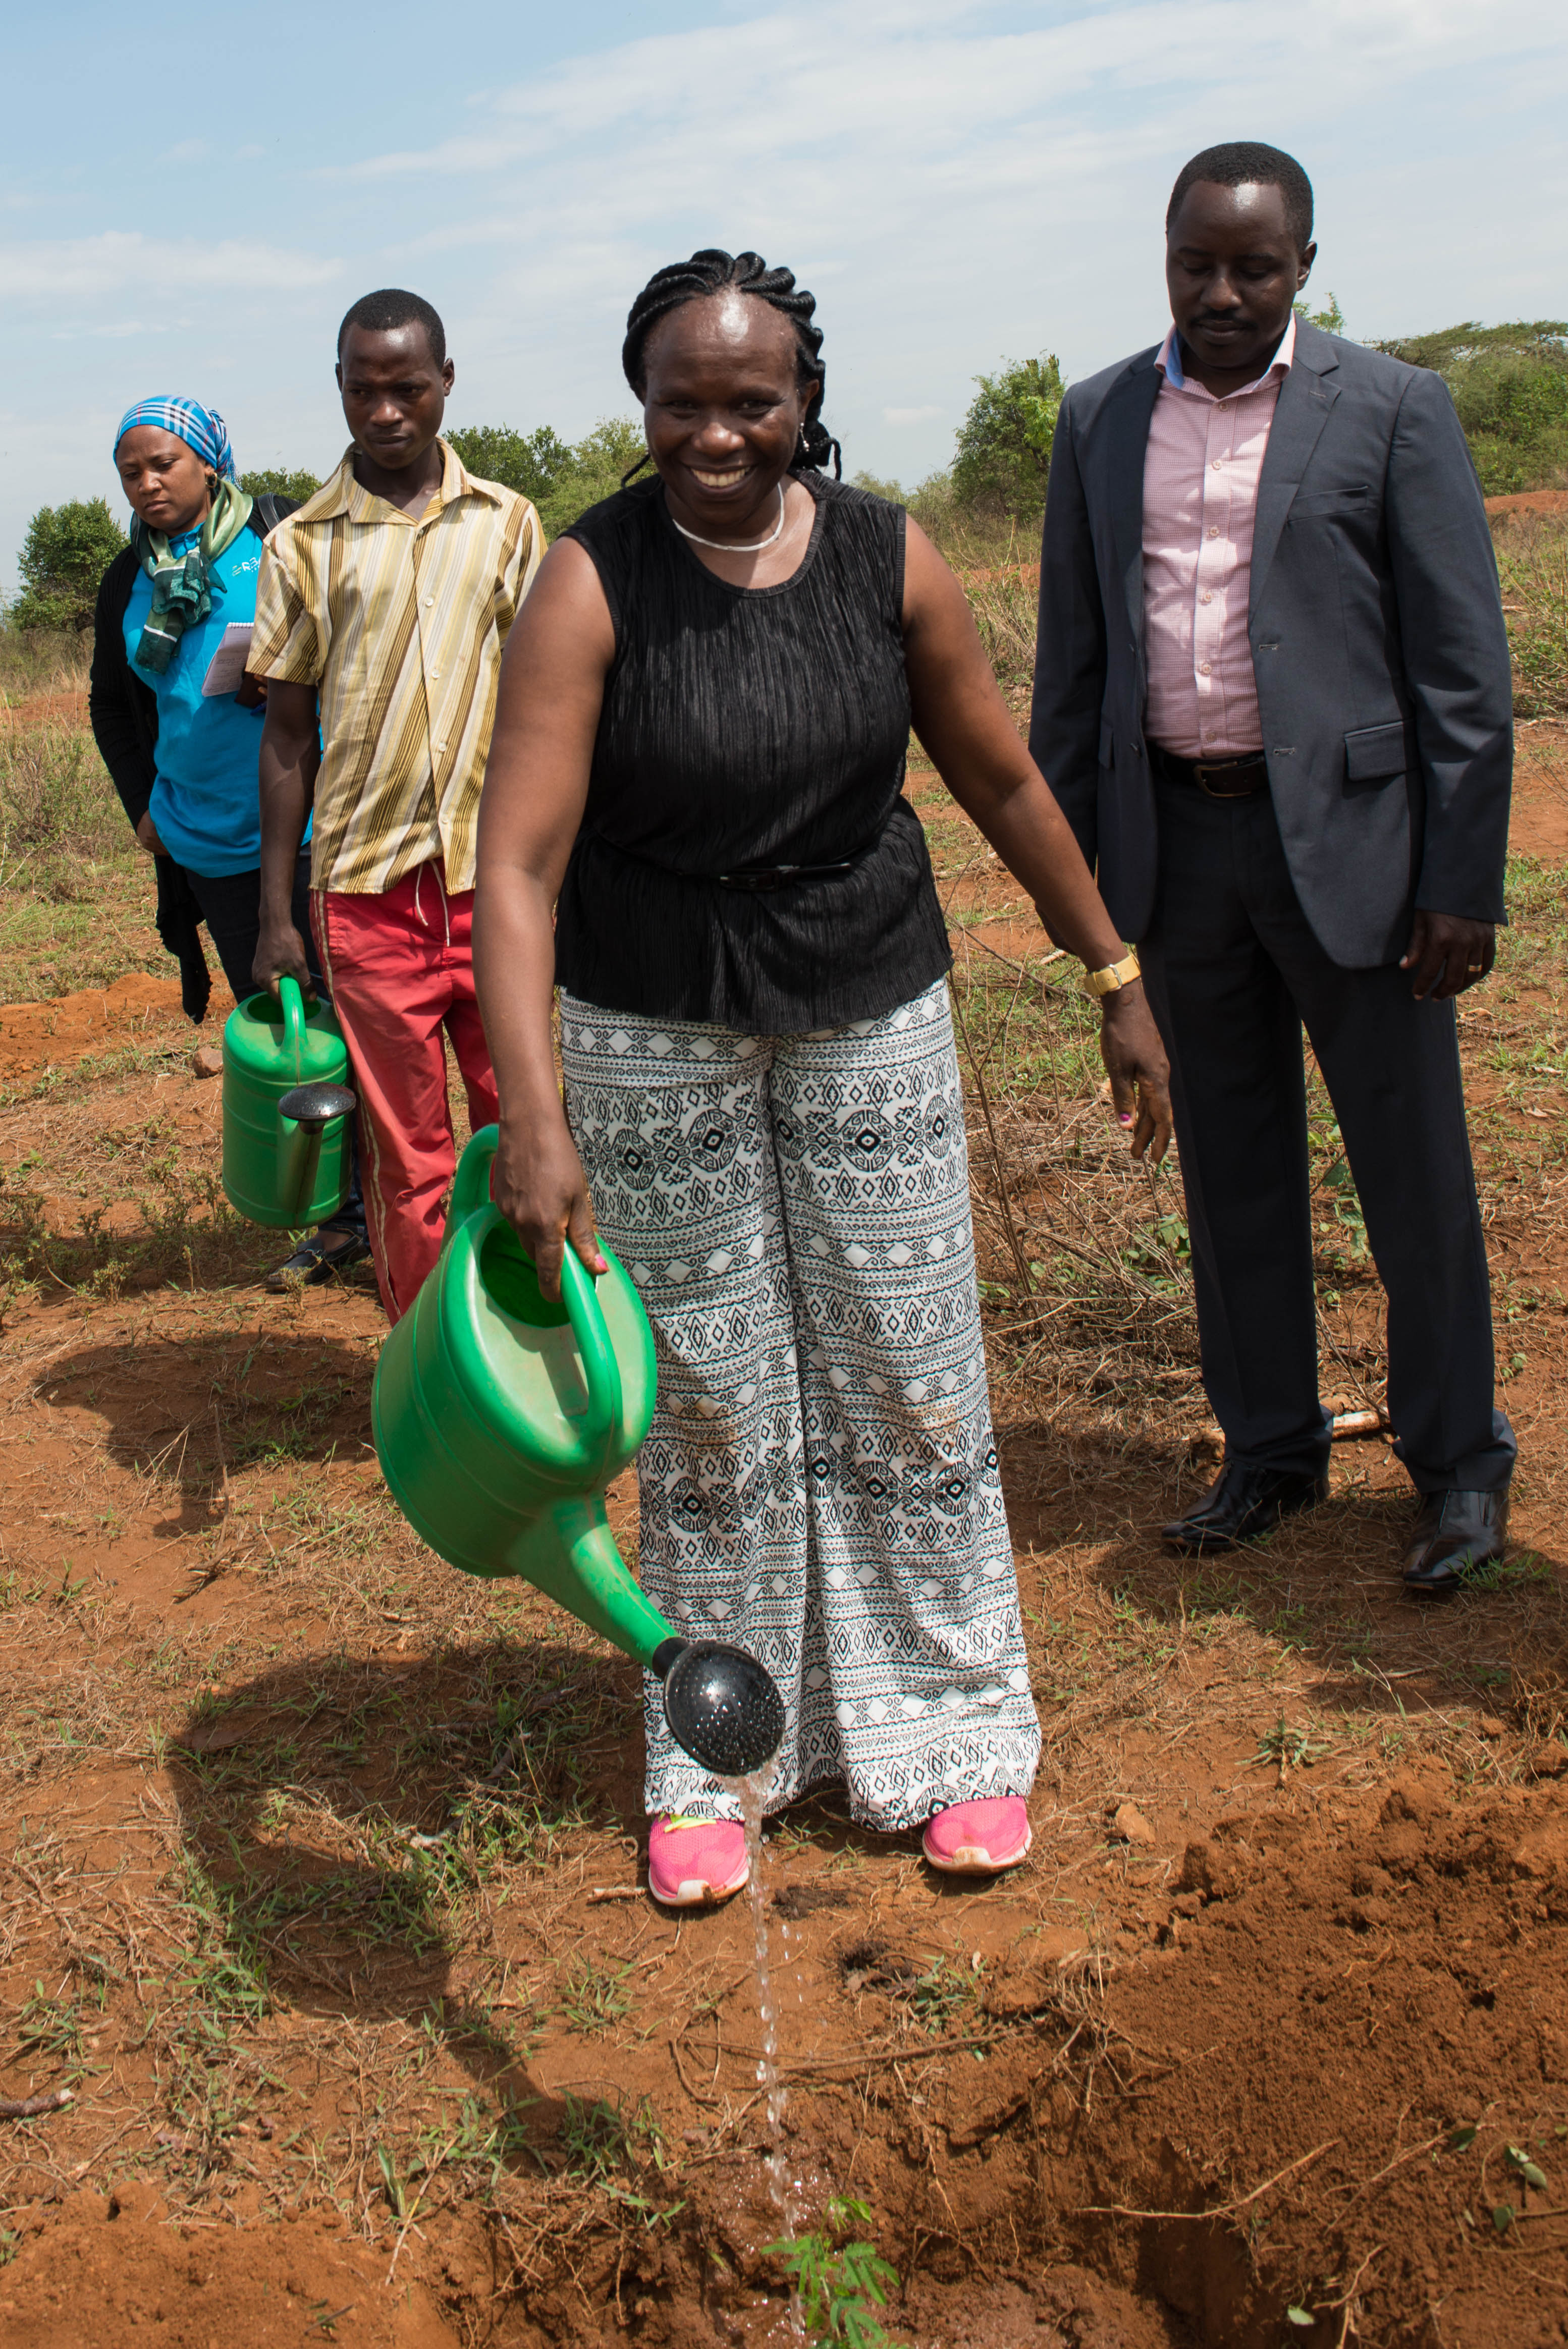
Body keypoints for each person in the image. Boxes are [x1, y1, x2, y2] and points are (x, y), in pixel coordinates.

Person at [473, 248, 1173, 1908]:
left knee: (905, 1371)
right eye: (680, 401)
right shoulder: (590, 579)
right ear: (641, 406)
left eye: (750, 399)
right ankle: (722, 1753)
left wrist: (1110, 967)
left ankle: (948, 1734)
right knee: (711, 1395)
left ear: (804, 400)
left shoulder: (886, 560)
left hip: (866, 996)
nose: (716, 432)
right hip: (652, 1023)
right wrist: (535, 1119)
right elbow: (514, 863)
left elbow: (998, 776)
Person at [1030, 142, 1515, 1598]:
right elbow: (1074, 670)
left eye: (1252, 265)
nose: (1222, 291)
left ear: (1304, 263)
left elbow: (1461, 674)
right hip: (1178, 852)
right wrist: (1087, 890)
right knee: (1230, 1170)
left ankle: (1455, 1462)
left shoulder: (1389, 410)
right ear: (1165, 259)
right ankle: (1269, 1449)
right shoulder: (1102, 418)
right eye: (1196, 263)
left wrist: (1460, 880)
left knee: (1409, 1171)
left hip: (1359, 856)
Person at [248, 290, 543, 1321]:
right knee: (409, 1157)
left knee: (523, 1124)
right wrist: (279, 915)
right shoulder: (301, 547)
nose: (386, 412)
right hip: (365, 898)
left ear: (446, 383)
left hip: (492, 883)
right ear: (339, 389)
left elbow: (549, 709)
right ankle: (433, 1365)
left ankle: (535, 1331)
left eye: (407, 387)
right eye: (364, 390)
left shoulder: (507, 525)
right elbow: (285, 737)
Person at [89, 396, 370, 1288]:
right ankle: (332, 1219)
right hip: (206, 836)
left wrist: (288, 675)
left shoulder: (284, 536)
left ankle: (391, 1209)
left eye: (163, 463)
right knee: (286, 1025)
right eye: (132, 471)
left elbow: (359, 646)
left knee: (350, 1020)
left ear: (209, 463)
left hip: (314, 828)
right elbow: (112, 701)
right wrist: (143, 803)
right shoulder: (125, 577)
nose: (147, 483)